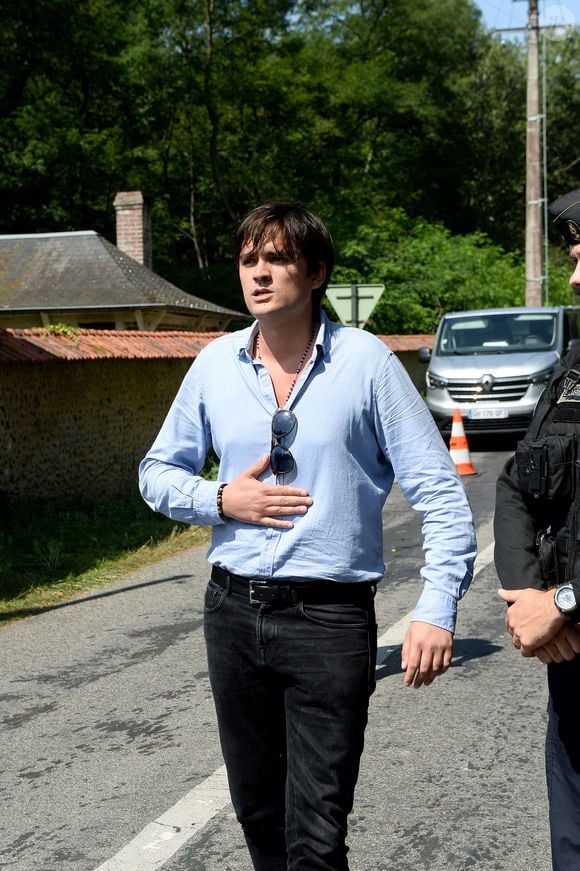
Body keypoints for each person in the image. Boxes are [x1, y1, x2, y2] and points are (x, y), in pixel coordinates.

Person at [139, 201, 476, 871]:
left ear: (315, 271)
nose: (259, 273)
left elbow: (440, 493)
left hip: (329, 619)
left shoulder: (367, 365)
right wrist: (219, 497)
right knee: (259, 812)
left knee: (316, 829)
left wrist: (436, 607)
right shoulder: (213, 366)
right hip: (232, 614)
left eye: (278, 258)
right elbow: (155, 473)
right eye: (248, 260)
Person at [495, 189, 580, 870]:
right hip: (572, 658)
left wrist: (565, 602)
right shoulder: (571, 372)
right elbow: (516, 485)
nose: (576, 278)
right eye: (576, 257)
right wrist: (530, 599)